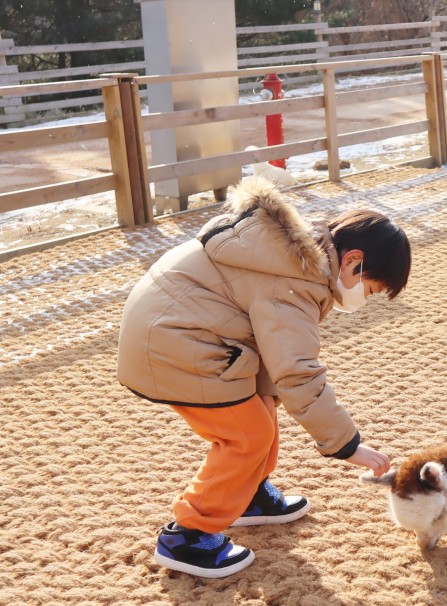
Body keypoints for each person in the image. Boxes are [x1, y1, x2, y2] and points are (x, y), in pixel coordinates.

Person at [117, 176, 411, 578]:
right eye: (371, 290)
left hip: (185, 332)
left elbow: (277, 361)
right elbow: (297, 372)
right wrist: (346, 445)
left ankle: (245, 495)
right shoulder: (294, 280)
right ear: (353, 261)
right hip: (175, 344)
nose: (365, 300)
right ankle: (187, 535)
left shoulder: (294, 255)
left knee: (262, 410)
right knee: (247, 435)